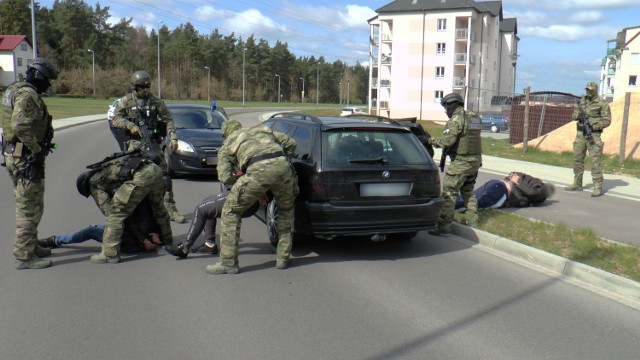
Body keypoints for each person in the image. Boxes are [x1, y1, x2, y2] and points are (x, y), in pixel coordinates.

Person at [206, 120, 298, 274]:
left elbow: (224, 176)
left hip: (257, 171)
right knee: (286, 211)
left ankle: (228, 262)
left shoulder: (228, 144)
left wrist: (243, 180)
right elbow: (291, 143)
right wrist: (282, 161)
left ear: (225, 133)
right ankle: (283, 258)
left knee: (230, 211)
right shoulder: (262, 130)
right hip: (283, 168)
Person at [1, 57, 59, 269]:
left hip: (16, 155)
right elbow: (19, 126)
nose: (48, 84)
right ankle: (24, 256)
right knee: (28, 208)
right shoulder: (27, 94)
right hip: (25, 158)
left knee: (34, 205)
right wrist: (37, 149)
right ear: (38, 76)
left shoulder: (15, 89)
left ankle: (31, 245)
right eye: (47, 80)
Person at [109, 70, 186, 222]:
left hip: (153, 143)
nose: (145, 90)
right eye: (142, 87)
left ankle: (170, 209)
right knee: (133, 176)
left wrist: (173, 138)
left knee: (164, 176)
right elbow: (115, 119)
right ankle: (133, 210)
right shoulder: (126, 101)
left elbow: (168, 120)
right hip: (135, 145)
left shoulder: (156, 102)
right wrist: (130, 125)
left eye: (147, 87)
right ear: (135, 87)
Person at [78, 149, 173, 264]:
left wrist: (141, 238)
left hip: (141, 176)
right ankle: (167, 241)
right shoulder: (104, 170)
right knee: (158, 207)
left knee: (115, 214)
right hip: (154, 169)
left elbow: (111, 213)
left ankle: (110, 254)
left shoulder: (93, 184)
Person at [427, 92, 483, 235]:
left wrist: (430, 140)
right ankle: (472, 221)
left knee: (449, 193)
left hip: (461, 162)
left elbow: (447, 141)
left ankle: (443, 226)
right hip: (475, 161)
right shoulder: (474, 117)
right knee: (468, 191)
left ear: (452, 105)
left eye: (446, 108)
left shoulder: (455, 120)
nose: (446, 111)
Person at [38, 198, 163, 253]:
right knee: (96, 227)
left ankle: (54, 240)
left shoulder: (137, 200)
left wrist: (145, 240)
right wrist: (155, 234)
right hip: (134, 236)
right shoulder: (150, 199)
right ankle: (55, 240)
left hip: (128, 241)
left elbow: (129, 223)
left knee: (90, 231)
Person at [167, 187, 261, 259]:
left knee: (200, 209)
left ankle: (184, 247)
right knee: (206, 202)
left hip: (243, 195)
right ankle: (209, 244)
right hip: (236, 191)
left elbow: (249, 172)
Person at [565, 81, 611, 197]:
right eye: (587, 89)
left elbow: (607, 120)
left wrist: (594, 126)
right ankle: (577, 182)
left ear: (595, 90)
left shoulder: (602, 103)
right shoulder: (581, 101)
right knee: (577, 159)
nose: (588, 91)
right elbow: (574, 116)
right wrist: (578, 116)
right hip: (580, 134)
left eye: (590, 90)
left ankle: (597, 186)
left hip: (594, 135)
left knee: (595, 161)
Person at [455, 172, 555, 211]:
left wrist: (516, 180)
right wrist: (517, 181)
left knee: (470, 198)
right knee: (476, 203)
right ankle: (449, 207)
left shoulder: (530, 180)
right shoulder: (541, 188)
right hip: (502, 191)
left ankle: (447, 203)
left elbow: (515, 175)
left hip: (497, 184)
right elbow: (534, 193)